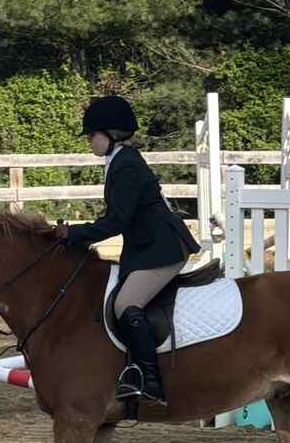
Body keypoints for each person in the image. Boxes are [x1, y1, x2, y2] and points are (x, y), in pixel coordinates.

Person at [54, 96, 200, 406]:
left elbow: (116, 222)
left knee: (125, 304)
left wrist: (74, 234)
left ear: (111, 133)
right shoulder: (120, 160)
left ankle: (150, 382)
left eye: (92, 135)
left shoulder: (126, 165)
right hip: (145, 248)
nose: (90, 141)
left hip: (163, 249)